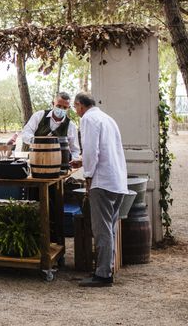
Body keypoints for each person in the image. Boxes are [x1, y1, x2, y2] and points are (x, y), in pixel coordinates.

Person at [71, 92, 128, 287]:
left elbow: (91, 150)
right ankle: (106, 268)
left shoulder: (88, 119)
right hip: (117, 180)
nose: (76, 111)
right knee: (109, 228)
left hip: (102, 182)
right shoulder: (107, 118)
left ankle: (103, 274)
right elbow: (107, 149)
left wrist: (87, 174)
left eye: (74, 107)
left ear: (80, 105)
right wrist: (83, 160)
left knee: (101, 229)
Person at [20, 91, 81, 161]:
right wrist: (39, 142)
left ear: (68, 108)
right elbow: (25, 134)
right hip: (36, 160)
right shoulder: (39, 116)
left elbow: (75, 150)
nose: (61, 109)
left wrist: (71, 160)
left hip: (58, 164)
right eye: (59, 106)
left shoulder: (71, 126)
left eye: (65, 107)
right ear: (53, 104)